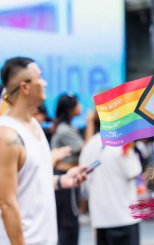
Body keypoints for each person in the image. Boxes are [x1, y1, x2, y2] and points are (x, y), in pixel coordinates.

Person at [0, 56, 87, 245]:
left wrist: (62, 181)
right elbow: (6, 203)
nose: (45, 82)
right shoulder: (7, 135)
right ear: (25, 87)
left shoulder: (34, 125)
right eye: (40, 77)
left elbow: (30, 181)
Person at [79, 111, 142, 245]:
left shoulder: (88, 146)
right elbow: (134, 171)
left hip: (100, 220)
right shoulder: (121, 143)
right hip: (125, 217)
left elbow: (83, 180)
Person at [51, 93, 84, 245]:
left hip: (65, 176)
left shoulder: (66, 127)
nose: (81, 107)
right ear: (70, 109)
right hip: (64, 178)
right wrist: (90, 122)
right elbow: (85, 148)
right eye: (77, 104)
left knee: (67, 220)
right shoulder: (65, 130)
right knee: (68, 223)